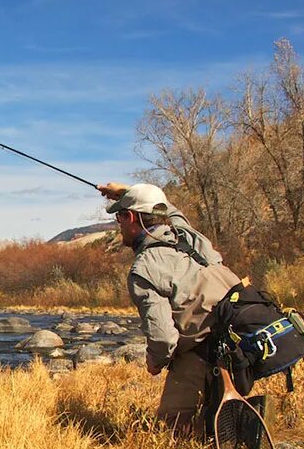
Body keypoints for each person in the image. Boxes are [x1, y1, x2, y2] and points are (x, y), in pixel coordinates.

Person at [98, 182, 242, 435]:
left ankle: (233, 432)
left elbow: (163, 339)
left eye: (120, 216)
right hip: (243, 332)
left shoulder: (144, 268)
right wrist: (125, 191)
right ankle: (232, 419)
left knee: (172, 429)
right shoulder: (189, 235)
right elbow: (170, 212)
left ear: (131, 217)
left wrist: (155, 362)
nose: (118, 223)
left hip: (207, 348)